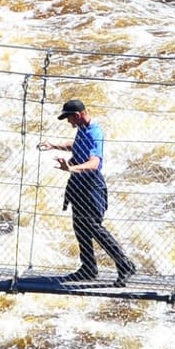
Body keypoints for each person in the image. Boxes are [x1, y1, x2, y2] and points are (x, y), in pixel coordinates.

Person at [38, 98, 136, 287]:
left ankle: (125, 265)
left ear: (77, 115)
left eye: (69, 119)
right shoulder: (82, 130)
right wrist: (54, 145)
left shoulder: (94, 132)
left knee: (94, 227)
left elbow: (94, 163)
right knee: (80, 227)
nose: (69, 123)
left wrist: (71, 169)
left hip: (91, 186)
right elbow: (75, 145)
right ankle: (88, 268)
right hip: (78, 185)